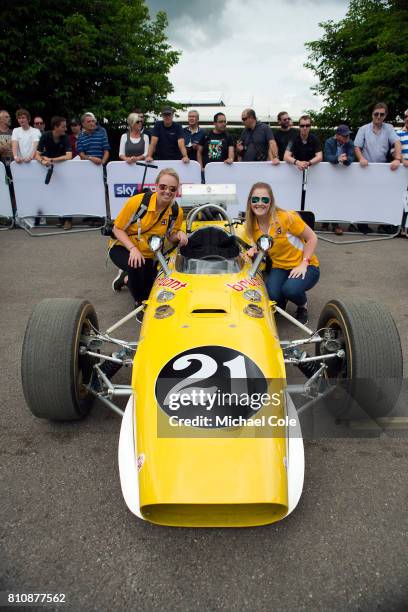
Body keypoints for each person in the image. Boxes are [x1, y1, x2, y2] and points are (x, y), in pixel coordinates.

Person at [109, 168, 188, 318]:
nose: (167, 192)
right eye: (163, 187)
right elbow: (117, 229)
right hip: (122, 247)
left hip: (148, 254)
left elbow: (170, 236)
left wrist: (180, 234)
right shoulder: (137, 202)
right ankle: (140, 304)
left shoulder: (176, 211)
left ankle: (125, 279)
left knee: (152, 283)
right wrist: (132, 249)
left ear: (177, 190)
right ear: (156, 186)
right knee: (138, 273)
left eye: (172, 189)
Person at [245, 182, 320, 325]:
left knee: (290, 289)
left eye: (264, 200)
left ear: (271, 202)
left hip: (306, 266)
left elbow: (312, 238)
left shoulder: (287, 218)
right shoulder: (252, 224)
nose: (259, 203)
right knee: (271, 294)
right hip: (279, 267)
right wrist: (255, 248)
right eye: (255, 199)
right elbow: (265, 242)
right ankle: (282, 298)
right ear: (250, 202)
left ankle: (302, 306)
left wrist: (304, 263)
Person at [35, 116, 73, 230]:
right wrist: (42, 161)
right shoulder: (45, 136)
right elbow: (36, 154)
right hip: (51, 170)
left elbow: (69, 156)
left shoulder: (65, 137)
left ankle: (68, 220)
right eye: (63, 126)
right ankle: (61, 219)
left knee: (66, 195)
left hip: (65, 170)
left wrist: (51, 160)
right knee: (55, 193)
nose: (66, 129)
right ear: (56, 127)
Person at [323, 124, 355, 235]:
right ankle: (327, 222)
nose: (347, 137)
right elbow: (327, 157)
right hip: (330, 174)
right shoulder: (329, 142)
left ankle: (335, 224)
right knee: (328, 198)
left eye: (348, 135)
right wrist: (338, 158)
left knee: (338, 198)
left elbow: (352, 157)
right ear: (337, 136)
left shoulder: (350, 143)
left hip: (343, 176)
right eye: (344, 135)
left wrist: (345, 160)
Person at [354, 102, 402, 170]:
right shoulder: (363, 129)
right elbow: (357, 147)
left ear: (385, 115)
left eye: (382, 114)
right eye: (376, 114)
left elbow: (397, 142)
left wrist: (397, 159)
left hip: (383, 166)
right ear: (372, 114)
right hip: (366, 166)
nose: (379, 116)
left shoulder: (389, 128)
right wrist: (361, 158)